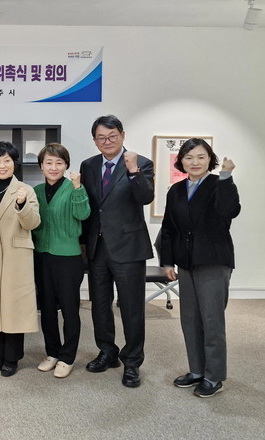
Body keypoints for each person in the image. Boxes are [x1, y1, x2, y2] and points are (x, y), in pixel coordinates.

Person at [160, 139, 240, 398]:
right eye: (189, 157)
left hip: (213, 261)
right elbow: (169, 228)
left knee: (212, 320)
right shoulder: (176, 190)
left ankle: (214, 377)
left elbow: (229, 211)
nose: (195, 162)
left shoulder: (219, 184)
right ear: (181, 161)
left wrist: (226, 176)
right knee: (190, 320)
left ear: (210, 159)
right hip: (186, 262)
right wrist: (167, 261)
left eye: (201, 157)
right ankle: (196, 370)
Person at [79, 115, 154, 388]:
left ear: (123, 135)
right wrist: (83, 243)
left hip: (129, 248)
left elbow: (146, 197)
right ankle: (107, 351)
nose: (107, 141)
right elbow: (89, 206)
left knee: (132, 308)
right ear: (94, 140)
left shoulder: (141, 163)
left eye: (112, 136)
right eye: (101, 137)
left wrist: (133, 171)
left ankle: (132, 362)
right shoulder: (88, 165)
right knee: (99, 305)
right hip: (97, 247)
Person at [0, 141, 40, 377]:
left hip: (16, 258)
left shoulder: (26, 190)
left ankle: (12, 357)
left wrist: (22, 204)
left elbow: (33, 223)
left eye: (7, 160)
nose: (2, 165)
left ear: (15, 163)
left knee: (14, 308)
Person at [32, 143, 90, 379]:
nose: (54, 167)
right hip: (42, 256)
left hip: (68, 258)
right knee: (46, 308)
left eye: (59, 162)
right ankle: (52, 352)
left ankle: (68, 357)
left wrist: (77, 188)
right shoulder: (36, 191)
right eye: (49, 162)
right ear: (41, 166)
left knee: (69, 309)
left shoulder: (74, 188)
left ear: (66, 165)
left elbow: (83, 214)